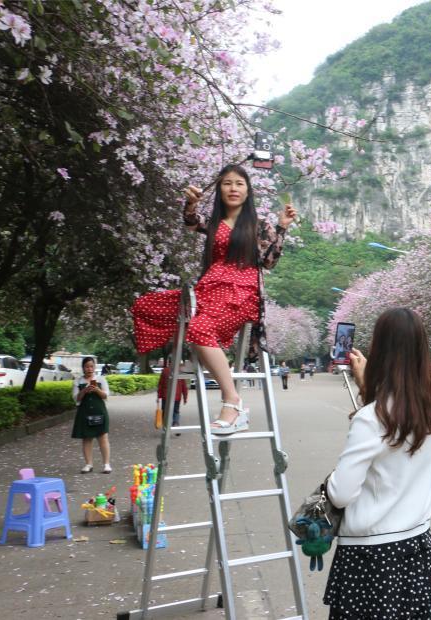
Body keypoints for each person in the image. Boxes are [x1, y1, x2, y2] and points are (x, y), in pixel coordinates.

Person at [131, 164, 296, 435]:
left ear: (248, 190)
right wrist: (190, 203)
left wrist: (281, 228)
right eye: (227, 183)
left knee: (197, 328)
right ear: (219, 189)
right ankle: (198, 355)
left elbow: (268, 262)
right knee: (146, 306)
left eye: (239, 183)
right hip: (208, 290)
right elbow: (191, 221)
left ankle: (233, 402)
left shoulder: (259, 225)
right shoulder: (214, 222)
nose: (233, 188)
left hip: (241, 292)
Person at [323, 308, 431, 619]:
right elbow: (396, 417)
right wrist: (368, 389)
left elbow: (340, 494)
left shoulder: (371, 419)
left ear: (380, 351)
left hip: (370, 556)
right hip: (415, 546)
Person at [71, 356, 112, 473]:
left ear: (94, 367)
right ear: (83, 368)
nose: (89, 369)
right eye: (87, 367)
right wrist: (84, 390)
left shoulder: (101, 379)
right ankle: (88, 464)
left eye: (91, 366)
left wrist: (96, 389)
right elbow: (76, 398)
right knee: (87, 439)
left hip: (99, 411)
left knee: (103, 437)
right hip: (84, 413)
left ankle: (106, 464)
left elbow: (106, 395)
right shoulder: (78, 381)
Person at [157, 358, 188, 430]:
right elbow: (184, 387)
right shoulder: (179, 372)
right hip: (177, 397)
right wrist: (185, 398)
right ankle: (176, 423)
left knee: (165, 411)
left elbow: (160, 384)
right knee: (176, 411)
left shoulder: (165, 371)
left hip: (166, 396)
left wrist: (158, 396)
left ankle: (166, 426)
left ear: (169, 362)